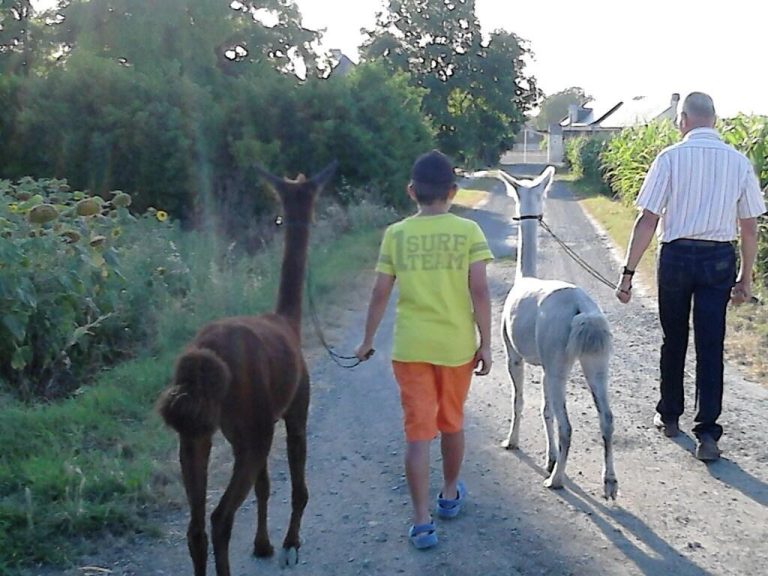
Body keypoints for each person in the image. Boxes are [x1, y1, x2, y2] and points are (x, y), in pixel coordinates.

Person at [615, 92, 766, 462]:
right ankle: (708, 433)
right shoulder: (738, 162)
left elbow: (647, 219)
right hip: (718, 258)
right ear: (714, 119)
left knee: (674, 337)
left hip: (677, 256)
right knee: (711, 344)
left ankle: (669, 415)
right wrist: (745, 277)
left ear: (683, 120)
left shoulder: (669, 158)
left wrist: (628, 273)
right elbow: (749, 227)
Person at [355, 149, 493, 549]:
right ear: (453, 190)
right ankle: (449, 494)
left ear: (411, 191)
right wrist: (485, 343)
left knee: (418, 435)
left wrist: (366, 341)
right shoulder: (468, 233)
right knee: (451, 423)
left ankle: (421, 522)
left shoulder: (396, 234)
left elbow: (380, 292)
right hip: (456, 349)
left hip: (411, 349)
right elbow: (480, 290)